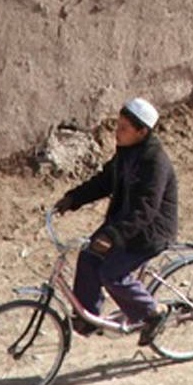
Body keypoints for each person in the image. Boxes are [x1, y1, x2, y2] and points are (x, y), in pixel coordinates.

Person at [55, 96, 180, 345]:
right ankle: (88, 316)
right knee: (89, 256)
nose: (117, 133)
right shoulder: (127, 153)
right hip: (125, 224)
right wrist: (73, 198)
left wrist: (112, 236)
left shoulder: (154, 162)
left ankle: (154, 313)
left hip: (149, 232)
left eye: (124, 128)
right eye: (118, 126)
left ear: (142, 131)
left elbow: (145, 209)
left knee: (111, 272)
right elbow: (104, 182)